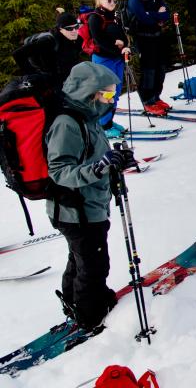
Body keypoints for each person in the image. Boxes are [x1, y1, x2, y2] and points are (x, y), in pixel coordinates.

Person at [46, 61, 135, 329]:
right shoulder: (67, 123)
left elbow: (95, 158)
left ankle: (75, 302)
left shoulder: (88, 118)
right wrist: (99, 167)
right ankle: (90, 315)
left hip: (88, 205)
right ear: (88, 92)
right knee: (94, 265)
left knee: (80, 258)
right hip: (76, 210)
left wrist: (114, 163)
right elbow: (60, 171)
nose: (110, 99)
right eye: (106, 94)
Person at [88, 0, 132, 138]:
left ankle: (109, 122)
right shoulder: (95, 18)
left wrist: (125, 45)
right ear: (100, 1)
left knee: (116, 91)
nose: (113, 3)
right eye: (109, 0)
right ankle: (104, 126)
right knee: (106, 93)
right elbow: (99, 40)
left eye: (114, 0)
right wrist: (117, 47)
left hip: (116, 59)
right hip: (103, 59)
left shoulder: (115, 17)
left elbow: (123, 36)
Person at [127, 0, 172, 115]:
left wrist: (155, 15)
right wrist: (157, 15)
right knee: (149, 70)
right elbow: (142, 17)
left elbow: (167, 14)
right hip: (143, 38)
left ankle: (156, 97)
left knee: (161, 68)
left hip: (158, 37)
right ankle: (147, 101)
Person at [12, 11, 83, 89]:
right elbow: (18, 54)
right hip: (51, 85)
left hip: (68, 82)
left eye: (76, 27)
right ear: (60, 29)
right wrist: (34, 75)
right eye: (69, 28)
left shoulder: (77, 40)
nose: (74, 31)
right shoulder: (48, 41)